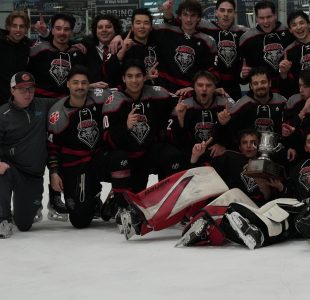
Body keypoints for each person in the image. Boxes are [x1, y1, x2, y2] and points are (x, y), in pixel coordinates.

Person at [47, 66, 131, 228]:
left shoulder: (99, 97)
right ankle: (93, 196)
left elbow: (126, 88)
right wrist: (54, 172)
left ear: (89, 85)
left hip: (98, 157)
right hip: (75, 165)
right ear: (68, 84)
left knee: (120, 157)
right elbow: (52, 147)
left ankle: (120, 202)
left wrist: (146, 78)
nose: (80, 86)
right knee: (80, 221)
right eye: (76, 83)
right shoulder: (57, 113)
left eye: (84, 83)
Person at [101, 59, 183, 193]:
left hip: (149, 152)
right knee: (134, 199)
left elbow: (179, 100)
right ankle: (118, 201)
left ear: (145, 77)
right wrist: (125, 127)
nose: (134, 80)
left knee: (172, 154)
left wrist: (191, 91)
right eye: (130, 76)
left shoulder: (157, 93)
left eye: (138, 76)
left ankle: (169, 202)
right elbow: (107, 140)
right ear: (123, 78)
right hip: (127, 157)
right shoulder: (113, 101)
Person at [0, 72, 58, 238]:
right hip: (13, 170)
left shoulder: (42, 105)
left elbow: (69, 100)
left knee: (25, 224)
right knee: (2, 171)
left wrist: (87, 89)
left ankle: (21, 209)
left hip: (34, 175)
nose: (27, 93)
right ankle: (2, 219)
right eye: (22, 89)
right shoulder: (3, 115)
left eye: (31, 89)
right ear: (12, 90)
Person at [152, 0, 218, 93]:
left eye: (193, 15)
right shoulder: (166, 32)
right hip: (164, 93)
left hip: (191, 95)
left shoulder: (207, 41)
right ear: (179, 16)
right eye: (185, 15)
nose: (188, 19)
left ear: (199, 18)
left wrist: (194, 88)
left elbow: (211, 72)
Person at [214, 67, 287, 150]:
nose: (260, 86)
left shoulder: (282, 101)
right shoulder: (242, 103)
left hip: (276, 149)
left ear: (270, 83)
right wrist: (223, 123)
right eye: (255, 83)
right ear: (251, 86)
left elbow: (290, 125)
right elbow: (231, 131)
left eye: (263, 82)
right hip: (249, 152)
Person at [168, 70, 232, 160]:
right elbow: (179, 141)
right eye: (200, 85)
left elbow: (235, 133)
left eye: (209, 85)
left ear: (215, 88)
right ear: (193, 87)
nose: (204, 89)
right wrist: (180, 119)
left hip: (216, 153)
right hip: (190, 154)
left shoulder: (225, 104)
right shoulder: (183, 105)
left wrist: (222, 143)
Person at [238, 1, 294, 94]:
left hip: (286, 89)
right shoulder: (246, 39)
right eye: (261, 18)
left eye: (269, 17)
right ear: (256, 18)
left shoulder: (289, 33)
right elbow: (241, 77)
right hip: (259, 93)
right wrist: (243, 75)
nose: (266, 21)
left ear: (275, 15)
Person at [27, 13, 86, 99]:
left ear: (71, 32)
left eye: (66, 29)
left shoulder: (78, 52)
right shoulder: (37, 50)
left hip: (67, 102)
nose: (62, 32)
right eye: (58, 28)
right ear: (52, 30)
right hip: (40, 101)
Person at [81, 14, 122, 88]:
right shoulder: (87, 47)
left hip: (118, 95)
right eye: (100, 27)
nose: (104, 30)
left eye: (108, 27)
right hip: (93, 95)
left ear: (115, 29)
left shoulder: (122, 46)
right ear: (95, 31)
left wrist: (120, 36)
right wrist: (89, 86)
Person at [0, 11, 32, 104]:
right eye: (14, 26)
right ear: (8, 27)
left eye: (22, 26)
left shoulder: (28, 44)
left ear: (26, 29)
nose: (18, 30)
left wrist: (46, 34)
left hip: (17, 101)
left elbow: (57, 43)